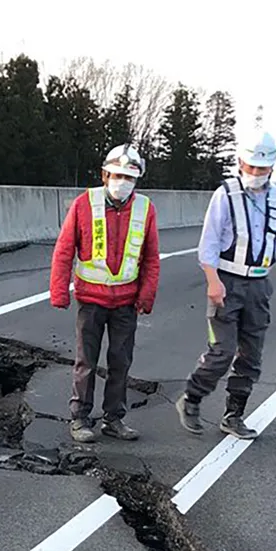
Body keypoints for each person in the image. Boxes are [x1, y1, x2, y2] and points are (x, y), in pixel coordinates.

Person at [176, 130, 276, 440]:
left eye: (262, 168)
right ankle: (191, 398)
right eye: (251, 167)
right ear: (240, 163)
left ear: (272, 167)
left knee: (251, 355)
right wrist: (212, 281)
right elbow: (207, 243)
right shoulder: (226, 194)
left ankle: (233, 415)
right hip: (227, 281)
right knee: (222, 351)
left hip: (259, 284)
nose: (256, 174)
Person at [49, 143, 160, 443]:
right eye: (117, 175)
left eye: (129, 178)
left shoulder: (145, 209)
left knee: (120, 362)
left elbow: (151, 257)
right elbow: (64, 249)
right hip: (91, 301)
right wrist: (59, 291)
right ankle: (80, 418)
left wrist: (146, 296)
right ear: (104, 174)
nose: (122, 182)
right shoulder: (84, 204)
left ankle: (114, 418)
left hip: (126, 303)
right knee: (86, 361)